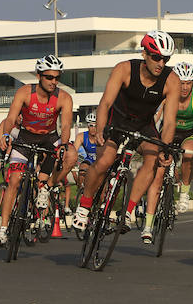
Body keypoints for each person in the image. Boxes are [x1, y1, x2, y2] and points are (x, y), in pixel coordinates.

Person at [70, 30, 180, 245]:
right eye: (156, 57)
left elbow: (169, 122)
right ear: (144, 54)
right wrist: (100, 129)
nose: (160, 63)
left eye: (165, 59)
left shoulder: (171, 80)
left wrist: (166, 148)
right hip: (117, 122)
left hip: (144, 125)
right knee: (104, 161)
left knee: (153, 157)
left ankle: (127, 211)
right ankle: (84, 206)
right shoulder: (124, 69)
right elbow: (105, 103)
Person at [0, 55, 75, 246]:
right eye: (49, 77)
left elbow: (66, 125)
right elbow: (11, 118)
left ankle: (46, 186)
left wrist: (63, 145)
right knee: (14, 180)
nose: (54, 81)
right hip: (26, 137)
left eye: (57, 77)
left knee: (71, 155)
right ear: (39, 76)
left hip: (49, 138)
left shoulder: (64, 97)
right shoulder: (24, 92)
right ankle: (3, 229)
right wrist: (6, 135)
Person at [156, 61, 193, 213]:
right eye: (181, 83)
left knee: (188, 153)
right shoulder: (166, 92)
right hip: (168, 131)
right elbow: (155, 116)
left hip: (189, 134)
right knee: (159, 159)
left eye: (189, 83)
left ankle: (184, 192)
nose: (185, 87)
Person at [68, 112, 98, 214]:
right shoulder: (82, 136)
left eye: (95, 126)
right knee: (82, 167)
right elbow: (74, 151)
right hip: (89, 161)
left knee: (103, 190)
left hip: (100, 162)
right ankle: (82, 190)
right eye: (90, 125)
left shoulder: (102, 136)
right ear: (87, 126)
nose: (93, 128)